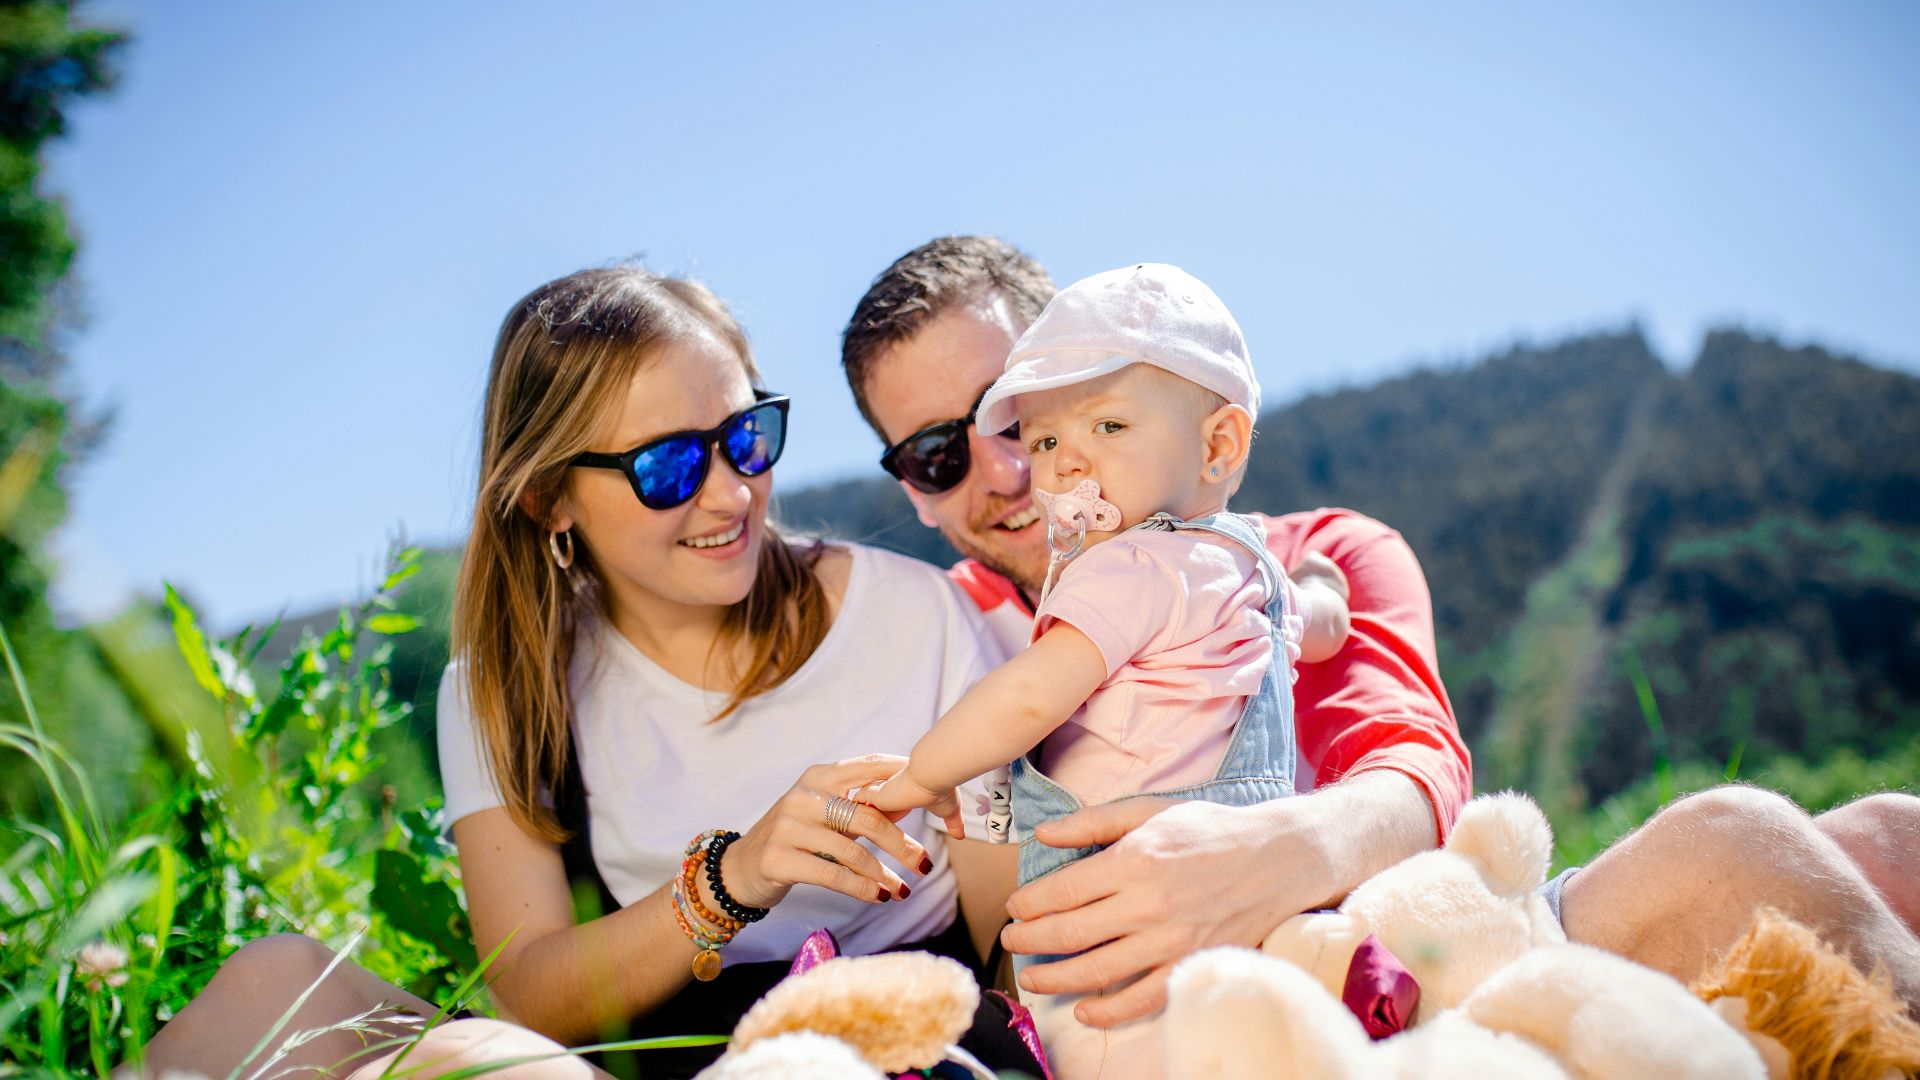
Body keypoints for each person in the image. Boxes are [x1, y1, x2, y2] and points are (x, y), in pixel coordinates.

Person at [840, 234, 1920, 1021]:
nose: (1007, 466)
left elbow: (1416, 771)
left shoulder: (1319, 553)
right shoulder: (949, 632)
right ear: (916, 495)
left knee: (1889, 841)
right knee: (1744, 845)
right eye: (938, 453)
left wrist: (1277, 848)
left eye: (1016, 412)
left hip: (1393, 948)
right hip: (1144, 1017)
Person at [132, 265, 1042, 1080]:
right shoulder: (505, 685)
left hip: (903, 1049)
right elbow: (529, 997)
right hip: (662, 1061)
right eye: (669, 464)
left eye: (745, 436)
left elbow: (1011, 957)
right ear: (548, 497)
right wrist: (732, 879)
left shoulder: (916, 617)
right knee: (277, 981)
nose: (729, 493)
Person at [866, 261, 1352, 1078]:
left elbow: (1026, 700)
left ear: (1218, 445)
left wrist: (914, 780)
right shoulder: (1246, 567)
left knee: (1096, 1044)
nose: (1060, 467)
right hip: (1246, 899)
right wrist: (1321, 585)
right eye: (1048, 438)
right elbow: (1319, 628)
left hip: (1114, 926)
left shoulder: (1127, 570)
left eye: (1109, 429)